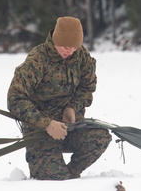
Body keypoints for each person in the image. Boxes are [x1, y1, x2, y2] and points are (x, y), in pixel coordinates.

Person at [7, 16, 111, 180]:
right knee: (54, 178)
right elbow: (15, 99)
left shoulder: (81, 57)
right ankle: (60, 175)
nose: (69, 51)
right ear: (55, 39)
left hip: (70, 127)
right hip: (40, 131)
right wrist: (47, 124)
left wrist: (72, 108)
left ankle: (72, 174)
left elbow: (87, 87)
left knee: (100, 136)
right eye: (64, 46)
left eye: (73, 47)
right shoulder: (37, 60)